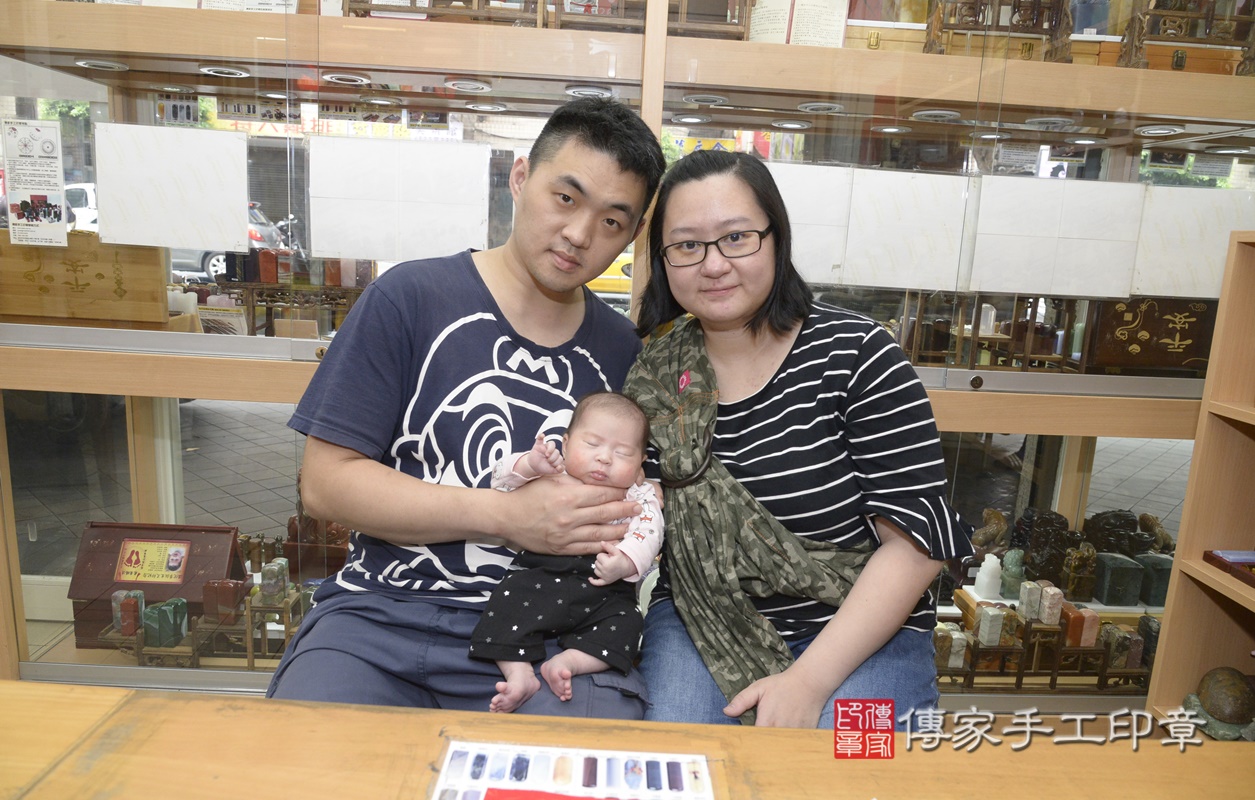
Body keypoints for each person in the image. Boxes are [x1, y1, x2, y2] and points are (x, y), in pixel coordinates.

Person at [266, 97, 666, 719]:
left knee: (589, 759)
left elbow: (638, 506)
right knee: (307, 751)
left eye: (612, 221)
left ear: (633, 235)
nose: (580, 234)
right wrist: (508, 516)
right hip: (378, 617)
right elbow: (324, 484)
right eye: (566, 197)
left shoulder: (623, 353)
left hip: (549, 641)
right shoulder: (408, 298)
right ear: (520, 177)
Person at [625, 150, 974, 730]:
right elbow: (638, 507)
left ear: (776, 238)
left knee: (852, 768)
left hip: (863, 625)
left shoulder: (858, 354)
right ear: (662, 260)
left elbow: (915, 543)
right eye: (686, 245)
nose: (714, 264)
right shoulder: (656, 377)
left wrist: (808, 682)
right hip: (702, 619)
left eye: (736, 237)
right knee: (680, 766)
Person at [469, 391, 662, 712]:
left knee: (627, 624)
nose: (605, 458)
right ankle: (518, 674)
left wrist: (626, 561)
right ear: (567, 443)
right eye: (592, 444)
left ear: (641, 461)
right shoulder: (552, 473)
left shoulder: (638, 494)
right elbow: (500, 480)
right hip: (541, 575)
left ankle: (569, 662)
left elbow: (650, 531)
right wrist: (529, 464)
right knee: (506, 603)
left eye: (623, 453)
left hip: (604, 585)